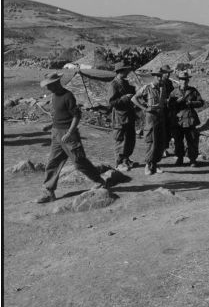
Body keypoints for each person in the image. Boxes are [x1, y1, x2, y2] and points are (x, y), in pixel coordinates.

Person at [35, 73, 107, 203]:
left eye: (49, 85)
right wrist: (50, 125)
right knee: (53, 162)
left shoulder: (68, 96)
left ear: (56, 83)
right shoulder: (54, 96)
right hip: (56, 133)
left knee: (79, 161)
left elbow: (76, 116)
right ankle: (48, 191)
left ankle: (99, 181)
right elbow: (59, 115)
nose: (47, 88)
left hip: (69, 135)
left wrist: (69, 132)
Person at [131, 68, 167, 175]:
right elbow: (134, 99)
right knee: (150, 140)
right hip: (150, 117)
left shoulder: (162, 88)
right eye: (158, 76)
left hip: (160, 117)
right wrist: (144, 108)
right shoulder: (147, 88)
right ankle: (148, 165)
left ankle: (155, 164)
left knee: (160, 141)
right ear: (154, 77)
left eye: (161, 76)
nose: (160, 78)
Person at [169, 71, 205, 166]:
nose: (183, 82)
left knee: (192, 140)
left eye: (185, 80)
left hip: (190, 119)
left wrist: (191, 103)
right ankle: (179, 158)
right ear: (179, 81)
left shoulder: (193, 91)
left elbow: (201, 102)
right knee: (178, 140)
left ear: (188, 80)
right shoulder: (174, 92)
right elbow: (169, 105)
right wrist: (176, 102)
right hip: (178, 120)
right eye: (181, 80)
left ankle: (192, 160)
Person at [107, 61, 137, 171]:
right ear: (121, 71)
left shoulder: (126, 83)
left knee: (130, 138)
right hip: (119, 117)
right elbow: (111, 102)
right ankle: (119, 162)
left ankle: (126, 159)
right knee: (119, 139)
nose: (128, 72)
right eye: (126, 70)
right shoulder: (114, 84)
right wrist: (124, 98)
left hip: (129, 115)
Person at [160, 64, 175, 156]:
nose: (168, 75)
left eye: (169, 73)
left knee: (168, 129)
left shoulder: (169, 83)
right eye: (166, 73)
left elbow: (172, 93)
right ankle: (161, 149)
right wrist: (165, 100)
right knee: (162, 129)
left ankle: (165, 148)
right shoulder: (160, 83)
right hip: (162, 109)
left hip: (169, 109)